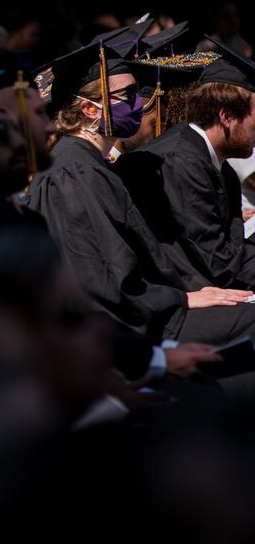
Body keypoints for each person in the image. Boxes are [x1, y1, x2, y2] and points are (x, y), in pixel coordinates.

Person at [23, 41, 255, 344]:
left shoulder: (89, 163)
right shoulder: (76, 172)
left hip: (149, 307)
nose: (141, 104)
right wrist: (181, 299)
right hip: (128, 327)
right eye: (128, 96)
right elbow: (102, 279)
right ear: (90, 108)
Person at [117, 41, 255, 293]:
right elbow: (218, 262)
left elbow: (229, 247)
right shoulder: (181, 161)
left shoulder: (213, 161)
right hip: (173, 293)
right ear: (226, 117)